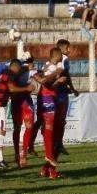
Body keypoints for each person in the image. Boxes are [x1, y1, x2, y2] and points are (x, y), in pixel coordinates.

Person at [0, 59, 35, 168]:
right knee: (1, 130)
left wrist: (27, 67)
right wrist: (26, 88)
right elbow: (12, 88)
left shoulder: (5, 71)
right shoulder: (11, 74)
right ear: (16, 68)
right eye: (19, 69)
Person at [32, 48, 65, 179]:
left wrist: (57, 81)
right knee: (49, 130)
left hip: (47, 98)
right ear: (57, 56)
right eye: (61, 56)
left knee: (50, 130)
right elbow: (45, 81)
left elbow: (47, 83)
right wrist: (57, 76)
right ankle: (49, 156)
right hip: (47, 99)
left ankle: (48, 169)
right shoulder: (54, 67)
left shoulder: (46, 65)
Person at [10, 54, 36, 167]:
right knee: (17, 128)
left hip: (26, 101)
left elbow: (32, 68)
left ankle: (23, 154)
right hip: (16, 102)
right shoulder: (12, 72)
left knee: (30, 127)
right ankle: (17, 153)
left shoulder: (28, 70)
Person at [55, 39, 79, 156]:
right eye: (68, 48)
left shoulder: (54, 59)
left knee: (58, 120)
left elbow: (65, 75)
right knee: (60, 120)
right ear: (63, 49)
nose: (70, 50)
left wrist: (72, 88)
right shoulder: (64, 59)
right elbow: (63, 75)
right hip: (60, 93)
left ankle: (57, 143)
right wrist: (71, 87)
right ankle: (58, 143)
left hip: (56, 92)